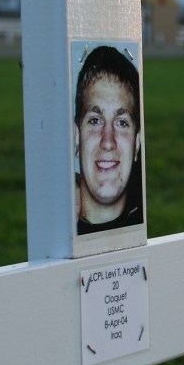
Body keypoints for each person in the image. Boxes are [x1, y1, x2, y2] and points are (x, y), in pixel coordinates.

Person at [74, 46, 143, 234]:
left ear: (137, 143)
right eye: (95, 121)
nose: (108, 142)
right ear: (76, 135)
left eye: (121, 123)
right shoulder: (54, 222)